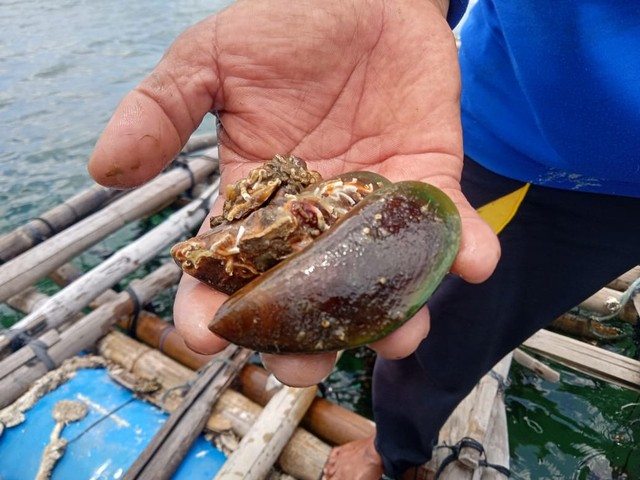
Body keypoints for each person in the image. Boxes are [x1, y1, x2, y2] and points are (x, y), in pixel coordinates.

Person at [88, 0, 640, 478]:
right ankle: (393, 446)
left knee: (444, 311)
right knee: (440, 324)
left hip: (620, 188)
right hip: (513, 135)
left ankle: (395, 448)